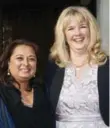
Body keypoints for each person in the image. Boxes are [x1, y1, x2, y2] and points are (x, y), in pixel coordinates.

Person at [44, 6, 109, 128]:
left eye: (83, 27)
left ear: (91, 30)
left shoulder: (106, 65)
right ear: (63, 34)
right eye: (71, 28)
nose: (77, 33)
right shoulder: (53, 67)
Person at [0, 39, 54, 128]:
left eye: (31, 59)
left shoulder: (44, 90)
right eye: (19, 58)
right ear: (8, 63)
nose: (26, 63)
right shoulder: (2, 94)